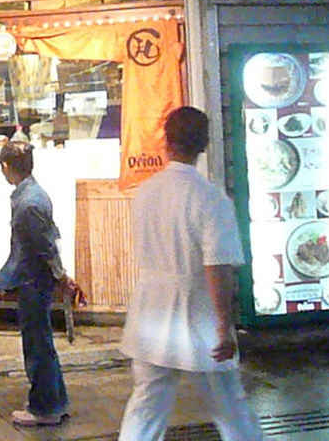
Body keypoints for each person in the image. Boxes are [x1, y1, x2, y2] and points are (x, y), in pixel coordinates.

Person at [117, 106, 265, 441]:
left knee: (147, 403)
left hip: (151, 310)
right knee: (228, 403)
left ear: (166, 141)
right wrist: (224, 325)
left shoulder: (145, 192)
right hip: (198, 311)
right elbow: (217, 266)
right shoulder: (211, 198)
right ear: (204, 144)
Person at [0, 139, 85, 427]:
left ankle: (44, 408)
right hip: (35, 277)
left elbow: (46, 247)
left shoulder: (28, 203)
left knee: (37, 345)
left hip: (33, 279)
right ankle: (56, 400)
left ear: (6, 166)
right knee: (42, 341)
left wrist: (62, 277)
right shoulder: (33, 194)